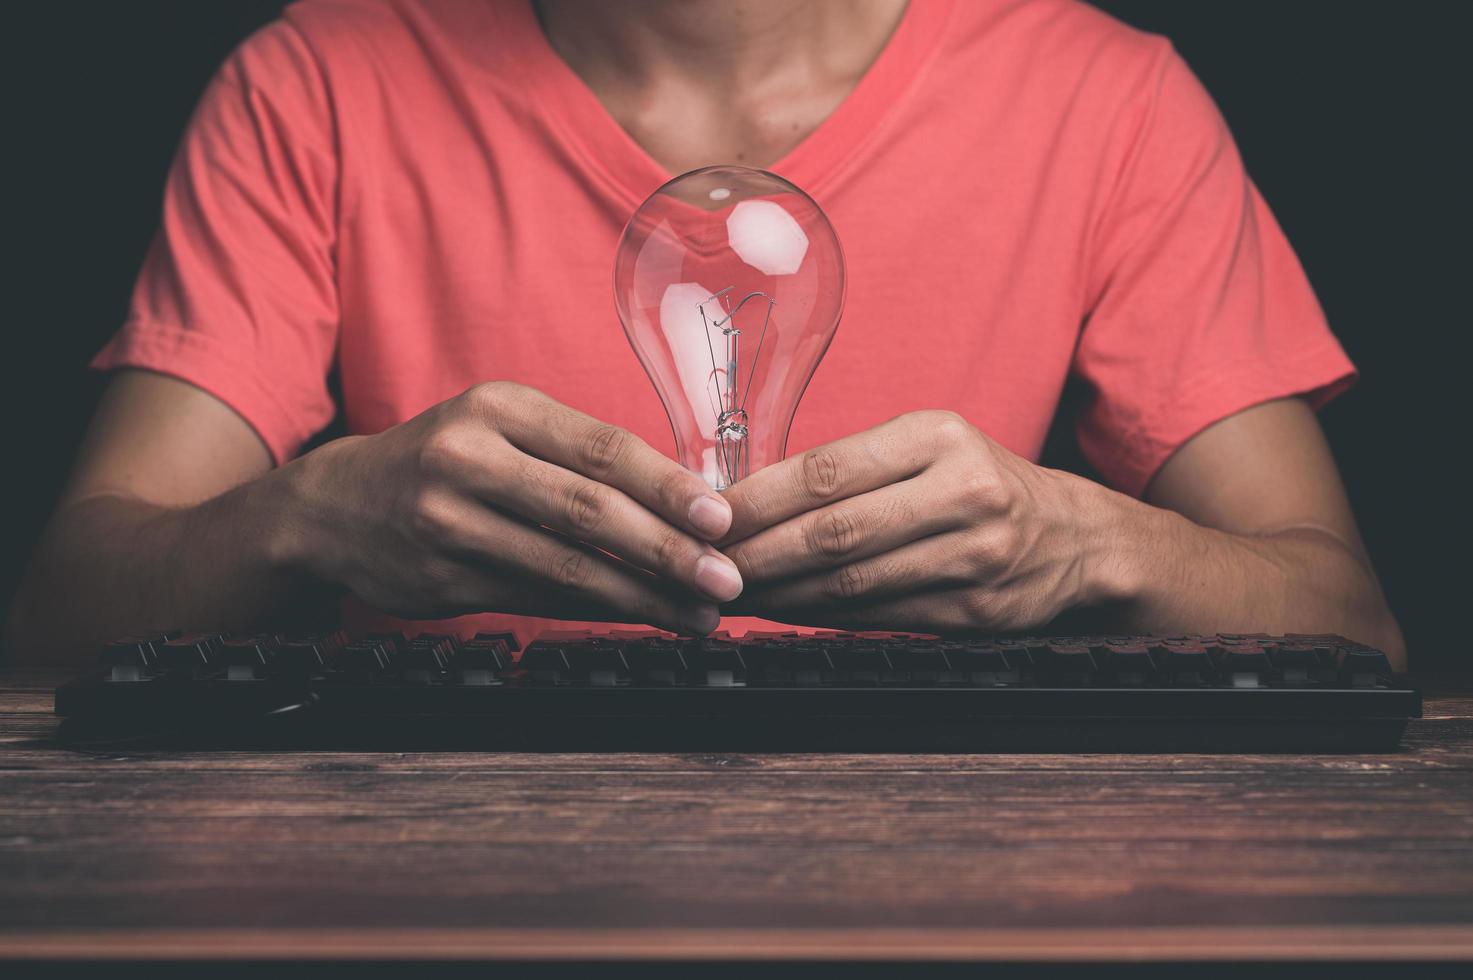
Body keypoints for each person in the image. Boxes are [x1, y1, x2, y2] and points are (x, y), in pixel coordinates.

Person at [3, 0, 1405, 667]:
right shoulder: (316, 84)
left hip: (947, 867)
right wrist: (313, 514)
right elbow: (58, 620)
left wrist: (1079, 543)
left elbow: (1345, 627)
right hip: (445, 868)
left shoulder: (1105, 104)